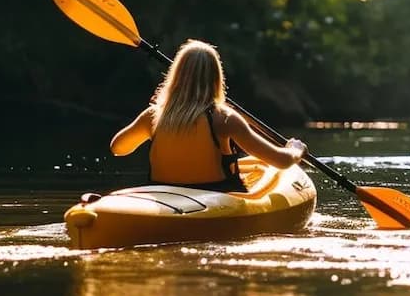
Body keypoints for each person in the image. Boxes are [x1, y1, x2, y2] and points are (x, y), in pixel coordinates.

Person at [109, 39, 307, 192]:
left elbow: (118, 148)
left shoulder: (153, 116)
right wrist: (295, 150)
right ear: (216, 78)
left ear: (176, 75)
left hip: (164, 197)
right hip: (215, 199)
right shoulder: (225, 119)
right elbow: (281, 161)